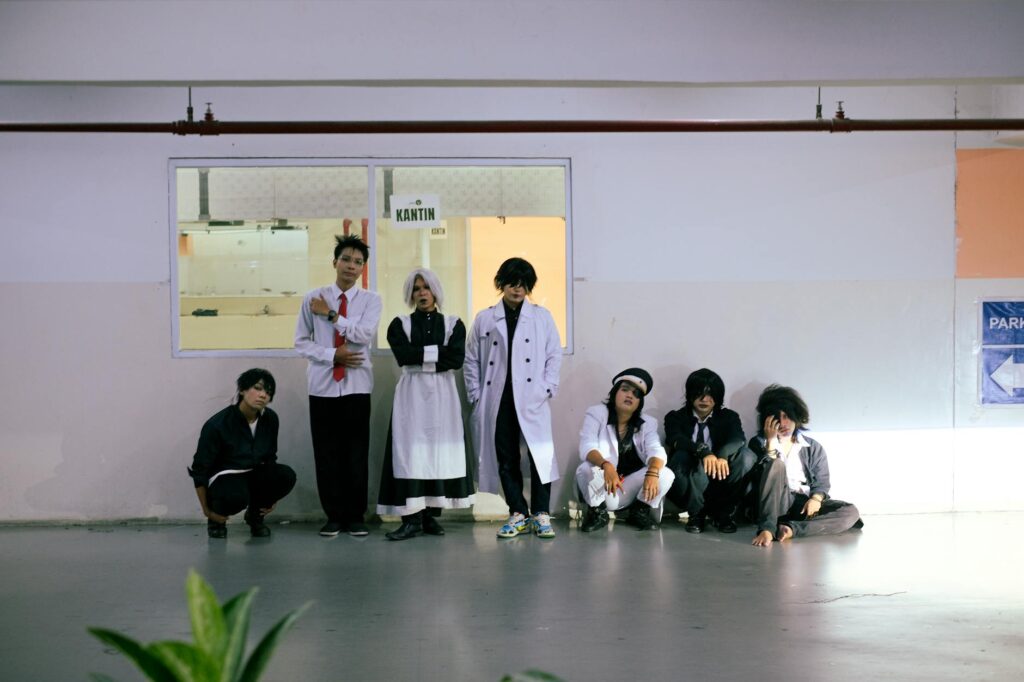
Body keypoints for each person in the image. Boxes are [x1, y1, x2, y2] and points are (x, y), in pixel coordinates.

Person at [465, 257, 562, 539]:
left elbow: (554, 354)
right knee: (506, 457)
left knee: (539, 455)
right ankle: (518, 512)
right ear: (501, 284)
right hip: (499, 398)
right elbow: (471, 358)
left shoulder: (541, 316)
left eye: (523, 284)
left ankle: (541, 513)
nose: (517, 289)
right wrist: (476, 394)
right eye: (512, 283)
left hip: (532, 396)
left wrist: (548, 387)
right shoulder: (485, 317)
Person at [377, 269, 475, 541]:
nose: (422, 293)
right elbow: (403, 357)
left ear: (436, 292)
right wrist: (436, 354)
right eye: (417, 288)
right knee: (410, 451)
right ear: (410, 294)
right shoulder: (400, 324)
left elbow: (455, 359)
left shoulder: (455, 323)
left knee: (438, 451)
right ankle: (411, 517)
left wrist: (421, 355)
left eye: (426, 288)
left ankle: (430, 515)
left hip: (443, 394)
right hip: (412, 394)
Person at [295, 234, 382, 537]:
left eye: (358, 262)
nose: (351, 265)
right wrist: (334, 355)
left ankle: (355, 516)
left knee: (356, 452)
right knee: (327, 453)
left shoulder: (371, 300)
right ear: (334, 262)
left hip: (357, 387)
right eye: (346, 259)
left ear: (362, 269)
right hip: (322, 387)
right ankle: (333, 516)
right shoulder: (312, 298)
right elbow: (301, 342)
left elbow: (363, 335)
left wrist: (331, 315)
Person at [748, 384, 863, 547]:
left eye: (787, 416)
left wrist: (816, 499)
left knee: (850, 512)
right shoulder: (758, 444)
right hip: (777, 502)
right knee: (776, 464)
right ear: (767, 420)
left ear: (797, 417)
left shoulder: (812, 447)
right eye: (777, 418)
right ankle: (767, 529)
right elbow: (759, 481)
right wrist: (771, 444)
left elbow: (822, 482)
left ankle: (791, 529)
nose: (783, 423)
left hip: (803, 503)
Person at [188, 369, 296, 539]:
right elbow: (199, 470)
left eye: (268, 392)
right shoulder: (217, 424)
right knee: (235, 497)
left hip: (254, 472)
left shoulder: (270, 419)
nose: (263, 395)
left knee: (285, 475)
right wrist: (207, 511)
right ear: (243, 390)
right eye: (258, 388)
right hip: (226, 478)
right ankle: (217, 521)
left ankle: (255, 517)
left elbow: (270, 457)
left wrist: (272, 497)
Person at [576, 368, 675, 532]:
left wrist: (652, 472)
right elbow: (587, 446)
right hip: (604, 488)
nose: (630, 395)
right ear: (615, 393)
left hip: (630, 488)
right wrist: (606, 465)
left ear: (639, 402)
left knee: (665, 473)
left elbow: (655, 449)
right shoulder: (597, 413)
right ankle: (598, 513)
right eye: (625, 390)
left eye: (636, 394)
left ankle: (639, 512)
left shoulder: (647, 422)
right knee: (586, 469)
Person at [664, 368, 757, 533]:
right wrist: (703, 451)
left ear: (718, 396)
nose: (704, 399)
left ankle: (724, 514)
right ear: (690, 394)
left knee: (747, 456)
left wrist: (720, 456)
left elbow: (738, 439)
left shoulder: (729, 417)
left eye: (710, 394)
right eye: (699, 393)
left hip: (720, 481)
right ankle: (696, 515)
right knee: (681, 455)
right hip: (688, 484)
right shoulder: (675, 417)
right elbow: (675, 438)